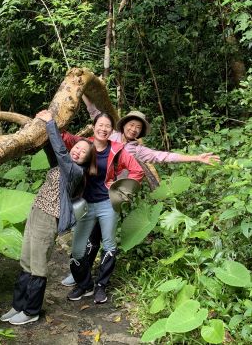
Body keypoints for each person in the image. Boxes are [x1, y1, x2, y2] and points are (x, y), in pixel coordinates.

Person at [60, 95, 220, 289]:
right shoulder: (109, 134)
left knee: (100, 238)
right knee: (89, 237)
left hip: (109, 198)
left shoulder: (137, 150)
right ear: (123, 124)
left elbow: (164, 156)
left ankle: (95, 280)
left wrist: (195, 158)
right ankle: (78, 273)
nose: (133, 128)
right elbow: (96, 115)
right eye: (131, 124)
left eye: (138, 127)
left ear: (140, 131)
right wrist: (83, 92)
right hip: (88, 192)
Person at [0, 109, 96, 325]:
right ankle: (18, 306)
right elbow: (54, 151)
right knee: (25, 260)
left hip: (49, 218)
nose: (78, 152)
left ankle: (31, 310)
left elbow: (62, 153)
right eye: (77, 148)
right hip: (35, 212)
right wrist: (40, 128)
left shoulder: (75, 172)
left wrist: (51, 123)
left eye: (83, 152)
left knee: (38, 265)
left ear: (87, 159)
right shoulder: (61, 166)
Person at [61, 112, 144, 304]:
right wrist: (51, 120)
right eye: (100, 125)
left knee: (109, 245)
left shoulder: (117, 149)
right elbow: (63, 137)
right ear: (93, 126)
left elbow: (137, 171)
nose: (103, 129)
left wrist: (120, 190)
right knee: (78, 249)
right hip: (85, 205)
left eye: (108, 126)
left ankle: (101, 286)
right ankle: (84, 284)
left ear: (112, 130)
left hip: (107, 204)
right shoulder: (83, 144)